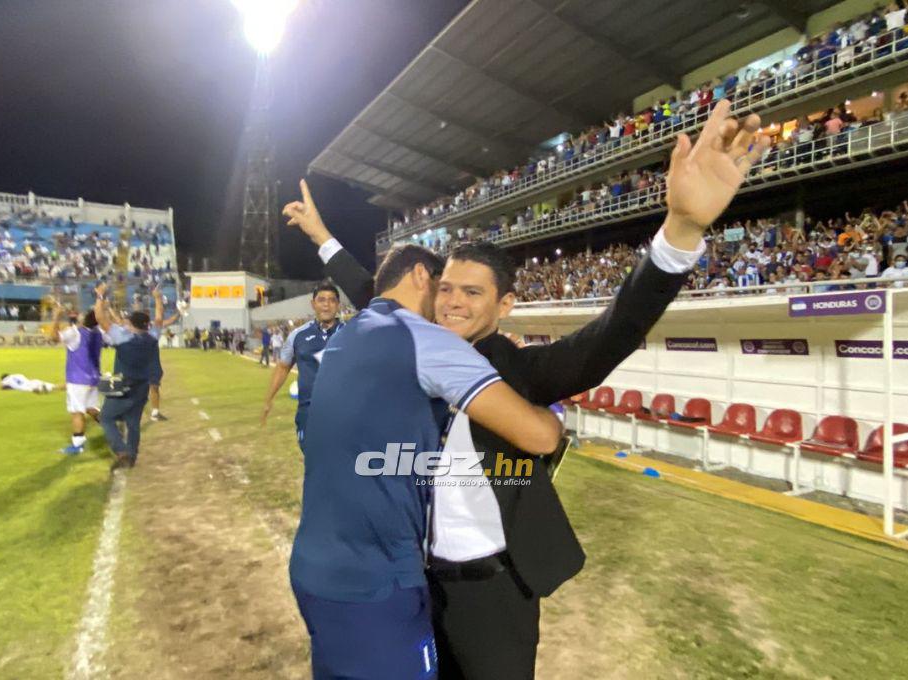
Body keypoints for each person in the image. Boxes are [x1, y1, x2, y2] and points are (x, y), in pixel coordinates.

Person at [284, 98, 771, 678]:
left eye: (471, 293)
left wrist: (682, 230)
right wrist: (320, 236)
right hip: (415, 585)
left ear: (505, 305)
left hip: (493, 594)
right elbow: (375, 293)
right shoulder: (404, 347)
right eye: (445, 290)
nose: (452, 303)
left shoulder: (522, 372)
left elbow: (613, 332)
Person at [280, 235, 563, 678]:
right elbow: (539, 438)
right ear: (419, 276)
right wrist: (552, 419)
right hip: (377, 583)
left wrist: (323, 238)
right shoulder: (426, 340)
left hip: (312, 569)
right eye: (444, 287)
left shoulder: (347, 333)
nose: (449, 303)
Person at [260, 281, 342, 451]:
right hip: (309, 413)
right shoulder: (297, 336)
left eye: (332, 300)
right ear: (313, 304)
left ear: (338, 305)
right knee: (314, 461)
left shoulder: (352, 333)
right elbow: (283, 367)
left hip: (342, 412)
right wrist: (269, 399)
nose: (326, 305)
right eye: (321, 300)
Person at [93, 282, 159, 470]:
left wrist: (100, 296)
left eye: (128, 322)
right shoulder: (152, 336)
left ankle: (122, 452)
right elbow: (160, 318)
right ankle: (132, 455)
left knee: (106, 418)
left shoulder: (123, 337)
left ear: (131, 325)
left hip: (124, 385)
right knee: (133, 422)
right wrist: (157, 299)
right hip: (142, 385)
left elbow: (99, 318)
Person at [47, 302, 103, 455]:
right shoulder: (97, 333)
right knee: (91, 407)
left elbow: (53, 339)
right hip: (93, 378)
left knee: (77, 412)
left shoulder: (75, 332)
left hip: (78, 379)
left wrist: (56, 317)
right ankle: (111, 426)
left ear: (84, 320)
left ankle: (77, 445)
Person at [148, 288, 180, 422]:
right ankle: (153, 412)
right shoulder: (152, 331)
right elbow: (161, 317)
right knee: (153, 387)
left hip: (142, 363)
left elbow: (166, 320)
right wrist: (158, 299)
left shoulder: (133, 330)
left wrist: (179, 313)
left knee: (153, 387)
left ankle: (154, 412)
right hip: (150, 363)